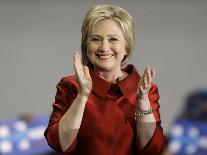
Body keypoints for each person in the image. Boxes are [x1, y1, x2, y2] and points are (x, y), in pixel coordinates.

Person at [44, 4, 166, 155]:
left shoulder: (145, 89)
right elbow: (59, 143)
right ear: (86, 45)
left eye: (113, 39)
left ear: (127, 46)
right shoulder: (71, 86)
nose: (104, 47)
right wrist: (82, 96)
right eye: (96, 39)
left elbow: (153, 149)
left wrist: (142, 103)